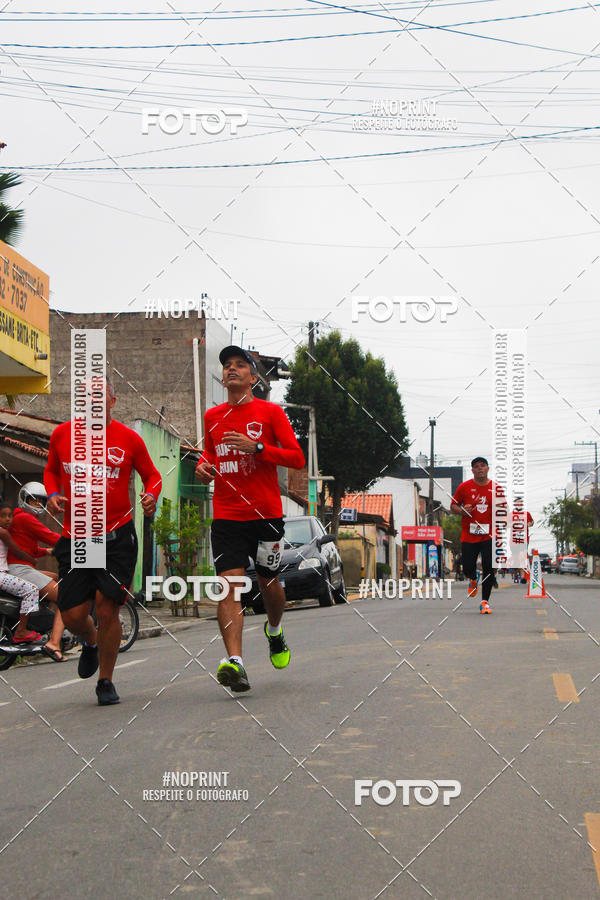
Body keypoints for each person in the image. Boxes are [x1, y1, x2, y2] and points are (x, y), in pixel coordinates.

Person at [44, 376, 162, 705]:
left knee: (107, 608)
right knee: (71, 615)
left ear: (112, 401)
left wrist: (151, 495)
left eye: (98, 396)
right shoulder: (61, 435)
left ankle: (106, 681)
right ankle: (90, 642)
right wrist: (53, 493)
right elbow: (51, 470)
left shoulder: (128, 439)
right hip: (76, 537)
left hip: (116, 536)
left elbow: (151, 475)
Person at [195, 345, 305, 693]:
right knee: (230, 586)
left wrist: (257, 448)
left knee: (268, 582)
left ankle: (274, 630)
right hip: (227, 515)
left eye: (240, 365)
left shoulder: (270, 413)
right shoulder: (212, 417)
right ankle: (236, 663)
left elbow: (297, 458)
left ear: (253, 378)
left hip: (266, 514)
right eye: (227, 365)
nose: (231, 369)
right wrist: (203, 468)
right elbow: (209, 455)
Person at [7, 482, 66, 660]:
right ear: (23, 499)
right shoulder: (25, 519)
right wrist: (76, 544)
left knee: (55, 577)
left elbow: (25, 547)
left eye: (40, 501)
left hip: (18, 567)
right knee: (66, 597)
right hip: (20, 569)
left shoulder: (18, 518)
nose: (37, 505)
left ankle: (42, 619)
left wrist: (45, 552)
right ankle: (54, 643)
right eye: (33, 501)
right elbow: (50, 536)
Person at [450, 456, 506, 615]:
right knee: (467, 567)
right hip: (469, 534)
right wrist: (462, 510)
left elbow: (503, 510)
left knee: (489, 568)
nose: (480, 468)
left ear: (488, 468)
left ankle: (484, 602)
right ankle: (473, 578)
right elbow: (453, 506)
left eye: (483, 465)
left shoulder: (497, 488)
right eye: (476, 466)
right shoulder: (464, 487)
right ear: (473, 470)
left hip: (490, 535)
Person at [0, 500, 46, 644]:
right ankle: (21, 630)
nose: (8, 519)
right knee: (31, 590)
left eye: (10, 516)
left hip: (4, 573)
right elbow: (18, 552)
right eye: (3, 516)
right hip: (1, 575)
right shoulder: (3, 532)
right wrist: (32, 560)